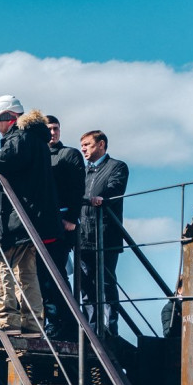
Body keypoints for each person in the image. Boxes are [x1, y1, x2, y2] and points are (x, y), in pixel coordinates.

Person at [0, 95, 62, 335]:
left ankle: (6, 320)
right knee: (27, 272)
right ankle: (33, 322)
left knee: (4, 267)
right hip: (34, 217)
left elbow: (6, 158)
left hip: (20, 216)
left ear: (10, 117)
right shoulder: (36, 139)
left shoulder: (19, 138)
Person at [38, 115, 85, 340]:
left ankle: (64, 324)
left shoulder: (70, 154)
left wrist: (72, 218)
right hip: (41, 223)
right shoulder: (38, 155)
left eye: (55, 128)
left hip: (62, 222)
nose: (52, 132)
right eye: (48, 129)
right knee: (42, 276)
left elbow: (78, 189)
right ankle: (54, 322)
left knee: (55, 275)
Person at [79, 130, 129, 337]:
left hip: (106, 235)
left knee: (107, 284)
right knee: (86, 286)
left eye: (87, 144)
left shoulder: (117, 166)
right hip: (83, 236)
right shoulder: (82, 171)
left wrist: (101, 198)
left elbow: (115, 189)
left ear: (101, 144)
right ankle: (91, 330)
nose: (83, 149)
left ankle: (109, 331)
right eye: (82, 145)